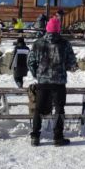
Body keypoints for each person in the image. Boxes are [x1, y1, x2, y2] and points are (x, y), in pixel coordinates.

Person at [27, 17, 77, 147]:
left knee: (38, 109)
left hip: (43, 82)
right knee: (59, 109)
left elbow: (30, 62)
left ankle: (35, 137)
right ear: (58, 29)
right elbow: (72, 63)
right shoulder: (65, 44)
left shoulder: (37, 43)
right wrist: (65, 67)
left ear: (47, 29)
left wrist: (36, 74)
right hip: (59, 82)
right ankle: (58, 138)